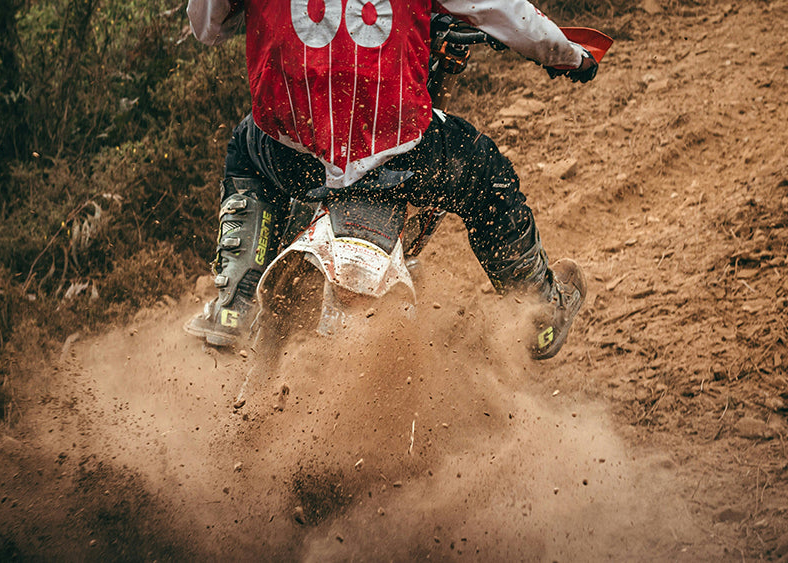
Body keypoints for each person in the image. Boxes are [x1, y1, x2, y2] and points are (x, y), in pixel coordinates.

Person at [183, 0, 599, 359]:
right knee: (485, 173)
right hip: (400, 154)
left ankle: (233, 303)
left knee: (246, 151)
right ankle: (541, 312)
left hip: (294, 148)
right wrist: (567, 55)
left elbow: (207, 27)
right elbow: (503, 12)